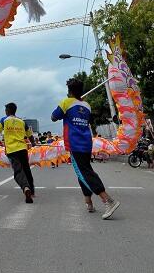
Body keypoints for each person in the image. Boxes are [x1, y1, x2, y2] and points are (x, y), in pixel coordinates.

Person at [51, 78, 121, 219]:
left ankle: (107, 200)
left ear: (69, 91)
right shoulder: (87, 106)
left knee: (85, 172)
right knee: (82, 171)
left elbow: (53, 117)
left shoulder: (66, 102)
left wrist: (66, 107)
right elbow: (86, 121)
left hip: (75, 143)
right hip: (86, 143)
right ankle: (88, 202)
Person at [0, 103, 35, 203]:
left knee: (18, 171)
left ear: (8, 110)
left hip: (12, 150)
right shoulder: (21, 121)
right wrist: (33, 142)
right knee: (26, 169)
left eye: (5, 110)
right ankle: (32, 191)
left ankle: (25, 188)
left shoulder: (3, 120)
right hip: (22, 148)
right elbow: (30, 134)